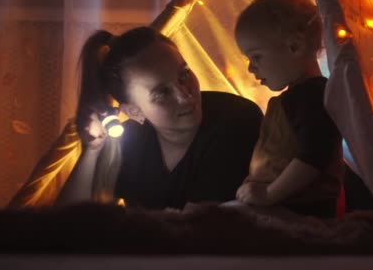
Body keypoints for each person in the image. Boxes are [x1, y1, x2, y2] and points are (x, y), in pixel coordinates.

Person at [57, 26, 263, 210]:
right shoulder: (129, 143)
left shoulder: (235, 118)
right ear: (134, 111)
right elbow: (68, 221)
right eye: (162, 93)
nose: (185, 95)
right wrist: (92, 151)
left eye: (184, 75)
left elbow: (195, 230)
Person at [233, 0, 343, 218]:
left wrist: (270, 194)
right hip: (281, 205)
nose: (251, 68)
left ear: (294, 46)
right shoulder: (295, 97)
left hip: (300, 211)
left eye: (256, 57)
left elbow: (313, 158)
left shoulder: (311, 97)